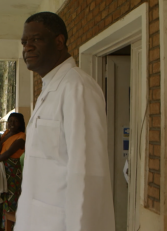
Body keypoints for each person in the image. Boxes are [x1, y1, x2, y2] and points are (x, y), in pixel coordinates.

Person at [15, 12, 115, 231]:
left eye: (36, 39)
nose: (27, 47)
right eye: (24, 42)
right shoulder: (50, 88)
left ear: (59, 42)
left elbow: (88, 175)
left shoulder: (77, 88)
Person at [0, 113, 26, 231]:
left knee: (10, 199)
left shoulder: (22, 137)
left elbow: (7, 154)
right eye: (10, 120)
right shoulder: (6, 133)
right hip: (0, 170)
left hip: (12, 173)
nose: (12, 123)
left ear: (21, 123)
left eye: (15, 121)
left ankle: (8, 227)